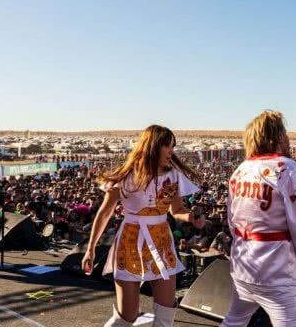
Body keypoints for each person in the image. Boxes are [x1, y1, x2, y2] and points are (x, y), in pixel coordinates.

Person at [81, 125, 205, 327]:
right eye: (167, 146)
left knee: (166, 313)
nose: (171, 151)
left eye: (173, 146)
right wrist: (90, 249)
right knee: (126, 317)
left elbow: (177, 210)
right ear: (153, 146)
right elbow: (104, 214)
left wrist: (191, 217)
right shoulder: (125, 176)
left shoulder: (173, 175)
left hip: (162, 245)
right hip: (130, 244)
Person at [221, 111, 296, 327]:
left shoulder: (240, 171)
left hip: (243, 263)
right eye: (285, 133)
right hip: (276, 271)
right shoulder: (287, 168)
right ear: (277, 137)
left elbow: (233, 220)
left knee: (235, 321)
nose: (288, 139)